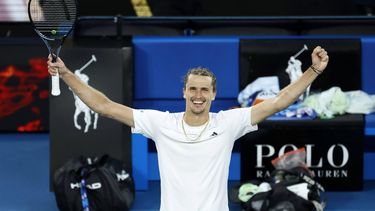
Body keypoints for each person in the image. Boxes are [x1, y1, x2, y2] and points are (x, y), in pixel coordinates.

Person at [47, 46, 329, 211]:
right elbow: (105, 106)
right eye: (193, 89)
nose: (198, 95)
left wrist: (313, 71)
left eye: (204, 90)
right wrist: (68, 74)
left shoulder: (229, 123)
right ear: (184, 92)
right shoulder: (161, 123)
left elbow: (279, 101)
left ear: (214, 94)